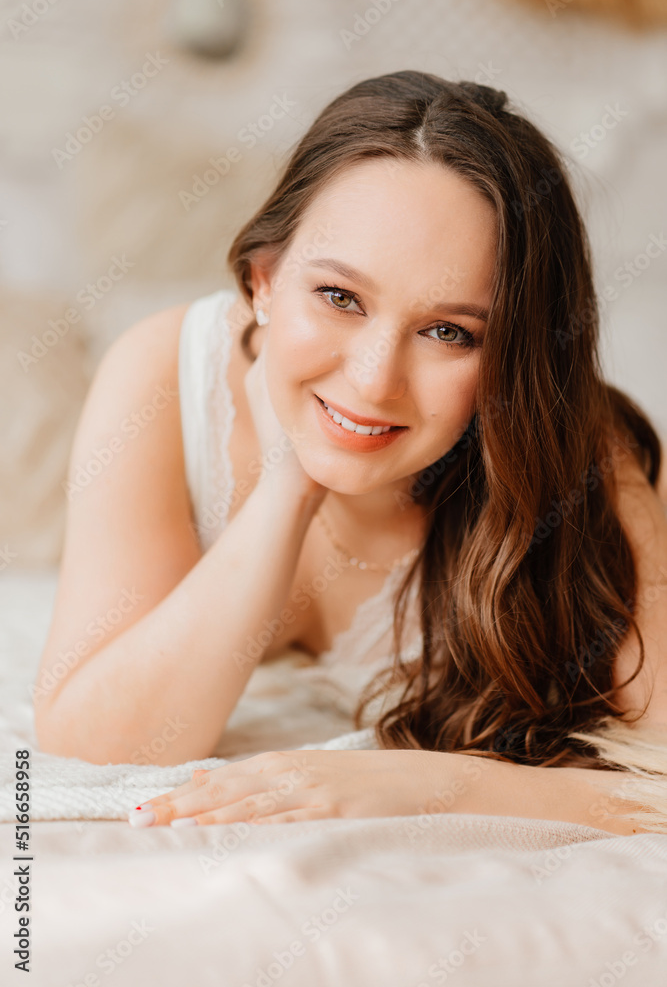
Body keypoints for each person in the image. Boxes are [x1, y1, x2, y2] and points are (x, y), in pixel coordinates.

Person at [34, 71, 667, 834]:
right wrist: (287, 487)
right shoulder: (164, 373)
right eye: (339, 298)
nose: (372, 381)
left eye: (448, 332)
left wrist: (430, 785)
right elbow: (96, 748)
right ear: (263, 280)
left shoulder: (582, 454)